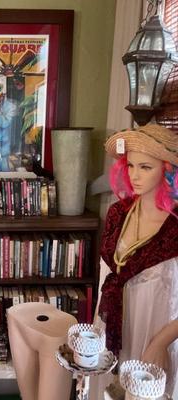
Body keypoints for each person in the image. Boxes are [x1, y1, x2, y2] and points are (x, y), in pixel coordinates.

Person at [93, 123, 178, 397]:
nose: (135, 175)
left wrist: (162, 342)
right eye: (130, 165)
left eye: (145, 167)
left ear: (166, 169)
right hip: (114, 324)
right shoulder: (118, 213)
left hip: (156, 330)